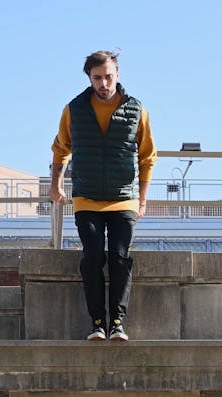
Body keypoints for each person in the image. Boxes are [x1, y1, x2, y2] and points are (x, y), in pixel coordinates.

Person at [49, 50, 157, 341]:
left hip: (124, 197)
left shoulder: (137, 110)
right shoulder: (74, 109)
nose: (104, 83)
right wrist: (55, 185)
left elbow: (147, 157)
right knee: (92, 257)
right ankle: (97, 322)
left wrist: (143, 199)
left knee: (120, 257)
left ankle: (117, 323)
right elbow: (61, 148)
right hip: (86, 197)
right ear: (89, 78)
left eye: (109, 76)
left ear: (118, 75)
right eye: (98, 78)